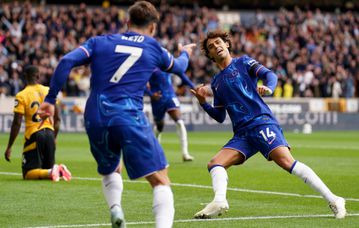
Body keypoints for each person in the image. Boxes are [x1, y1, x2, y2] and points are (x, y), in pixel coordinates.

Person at [37, 1, 196, 228]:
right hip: (128, 113)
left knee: (111, 167)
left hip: (95, 115)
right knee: (160, 178)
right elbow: (179, 67)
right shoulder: (153, 47)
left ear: (127, 22)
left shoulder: (99, 42)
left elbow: (66, 61)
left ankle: (116, 209)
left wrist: (50, 99)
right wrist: (185, 53)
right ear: (152, 28)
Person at [190, 30, 346, 219]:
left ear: (227, 44)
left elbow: (269, 74)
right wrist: (203, 102)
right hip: (242, 134)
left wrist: (269, 88)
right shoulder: (216, 83)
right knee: (215, 164)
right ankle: (219, 201)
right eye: (211, 47)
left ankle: (334, 199)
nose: (216, 46)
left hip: (261, 123)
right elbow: (220, 116)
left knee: (287, 162)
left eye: (218, 43)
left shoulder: (244, 62)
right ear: (210, 56)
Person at [4, 65, 71, 182]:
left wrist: (9, 146)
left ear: (24, 77)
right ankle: (58, 170)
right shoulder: (48, 91)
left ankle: (55, 170)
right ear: (38, 76)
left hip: (34, 135)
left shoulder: (21, 95)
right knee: (48, 174)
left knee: (28, 173)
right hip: (49, 133)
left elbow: (17, 122)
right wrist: (54, 137)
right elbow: (58, 118)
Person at [146, 69, 195, 161]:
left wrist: (193, 86)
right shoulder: (149, 62)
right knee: (160, 126)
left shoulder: (167, 61)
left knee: (180, 122)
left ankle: (185, 153)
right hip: (157, 99)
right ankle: (155, 149)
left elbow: (180, 72)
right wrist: (151, 94)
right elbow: (141, 82)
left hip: (170, 96)